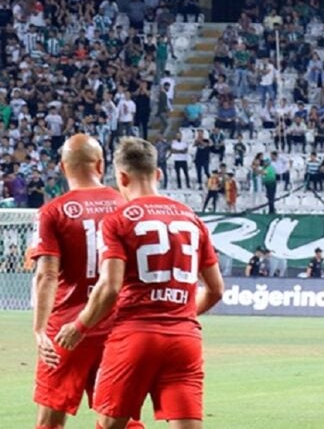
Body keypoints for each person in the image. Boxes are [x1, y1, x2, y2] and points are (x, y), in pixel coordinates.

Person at [53, 137, 225, 429]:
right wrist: (178, 315)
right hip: (184, 340)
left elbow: (110, 287)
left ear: (121, 177)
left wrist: (79, 326)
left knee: (110, 424)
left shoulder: (117, 220)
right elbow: (216, 289)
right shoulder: (192, 219)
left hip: (134, 336)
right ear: (158, 174)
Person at [29, 135, 138, 429]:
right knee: (120, 419)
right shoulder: (126, 206)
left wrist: (40, 330)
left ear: (63, 167)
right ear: (100, 165)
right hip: (118, 326)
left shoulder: (53, 211)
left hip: (66, 328)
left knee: (50, 421)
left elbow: (47, 275)